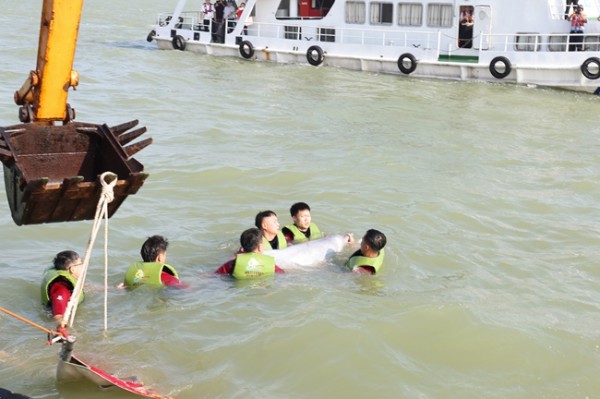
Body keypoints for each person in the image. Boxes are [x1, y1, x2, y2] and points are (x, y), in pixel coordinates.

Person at [215, 228, 284, 278]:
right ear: (260, 246)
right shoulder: (270, 264)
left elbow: (216, 274)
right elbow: (281, 273)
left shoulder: (232, 264)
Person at [41, 250, 83, 331]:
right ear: (72, 269)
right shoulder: (62, 289)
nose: (83, 267)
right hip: (55, 309)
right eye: (81, 264)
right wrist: (66, 330)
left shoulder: (66, 279)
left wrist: (111, 288)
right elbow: (58, 316)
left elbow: (85, 287)